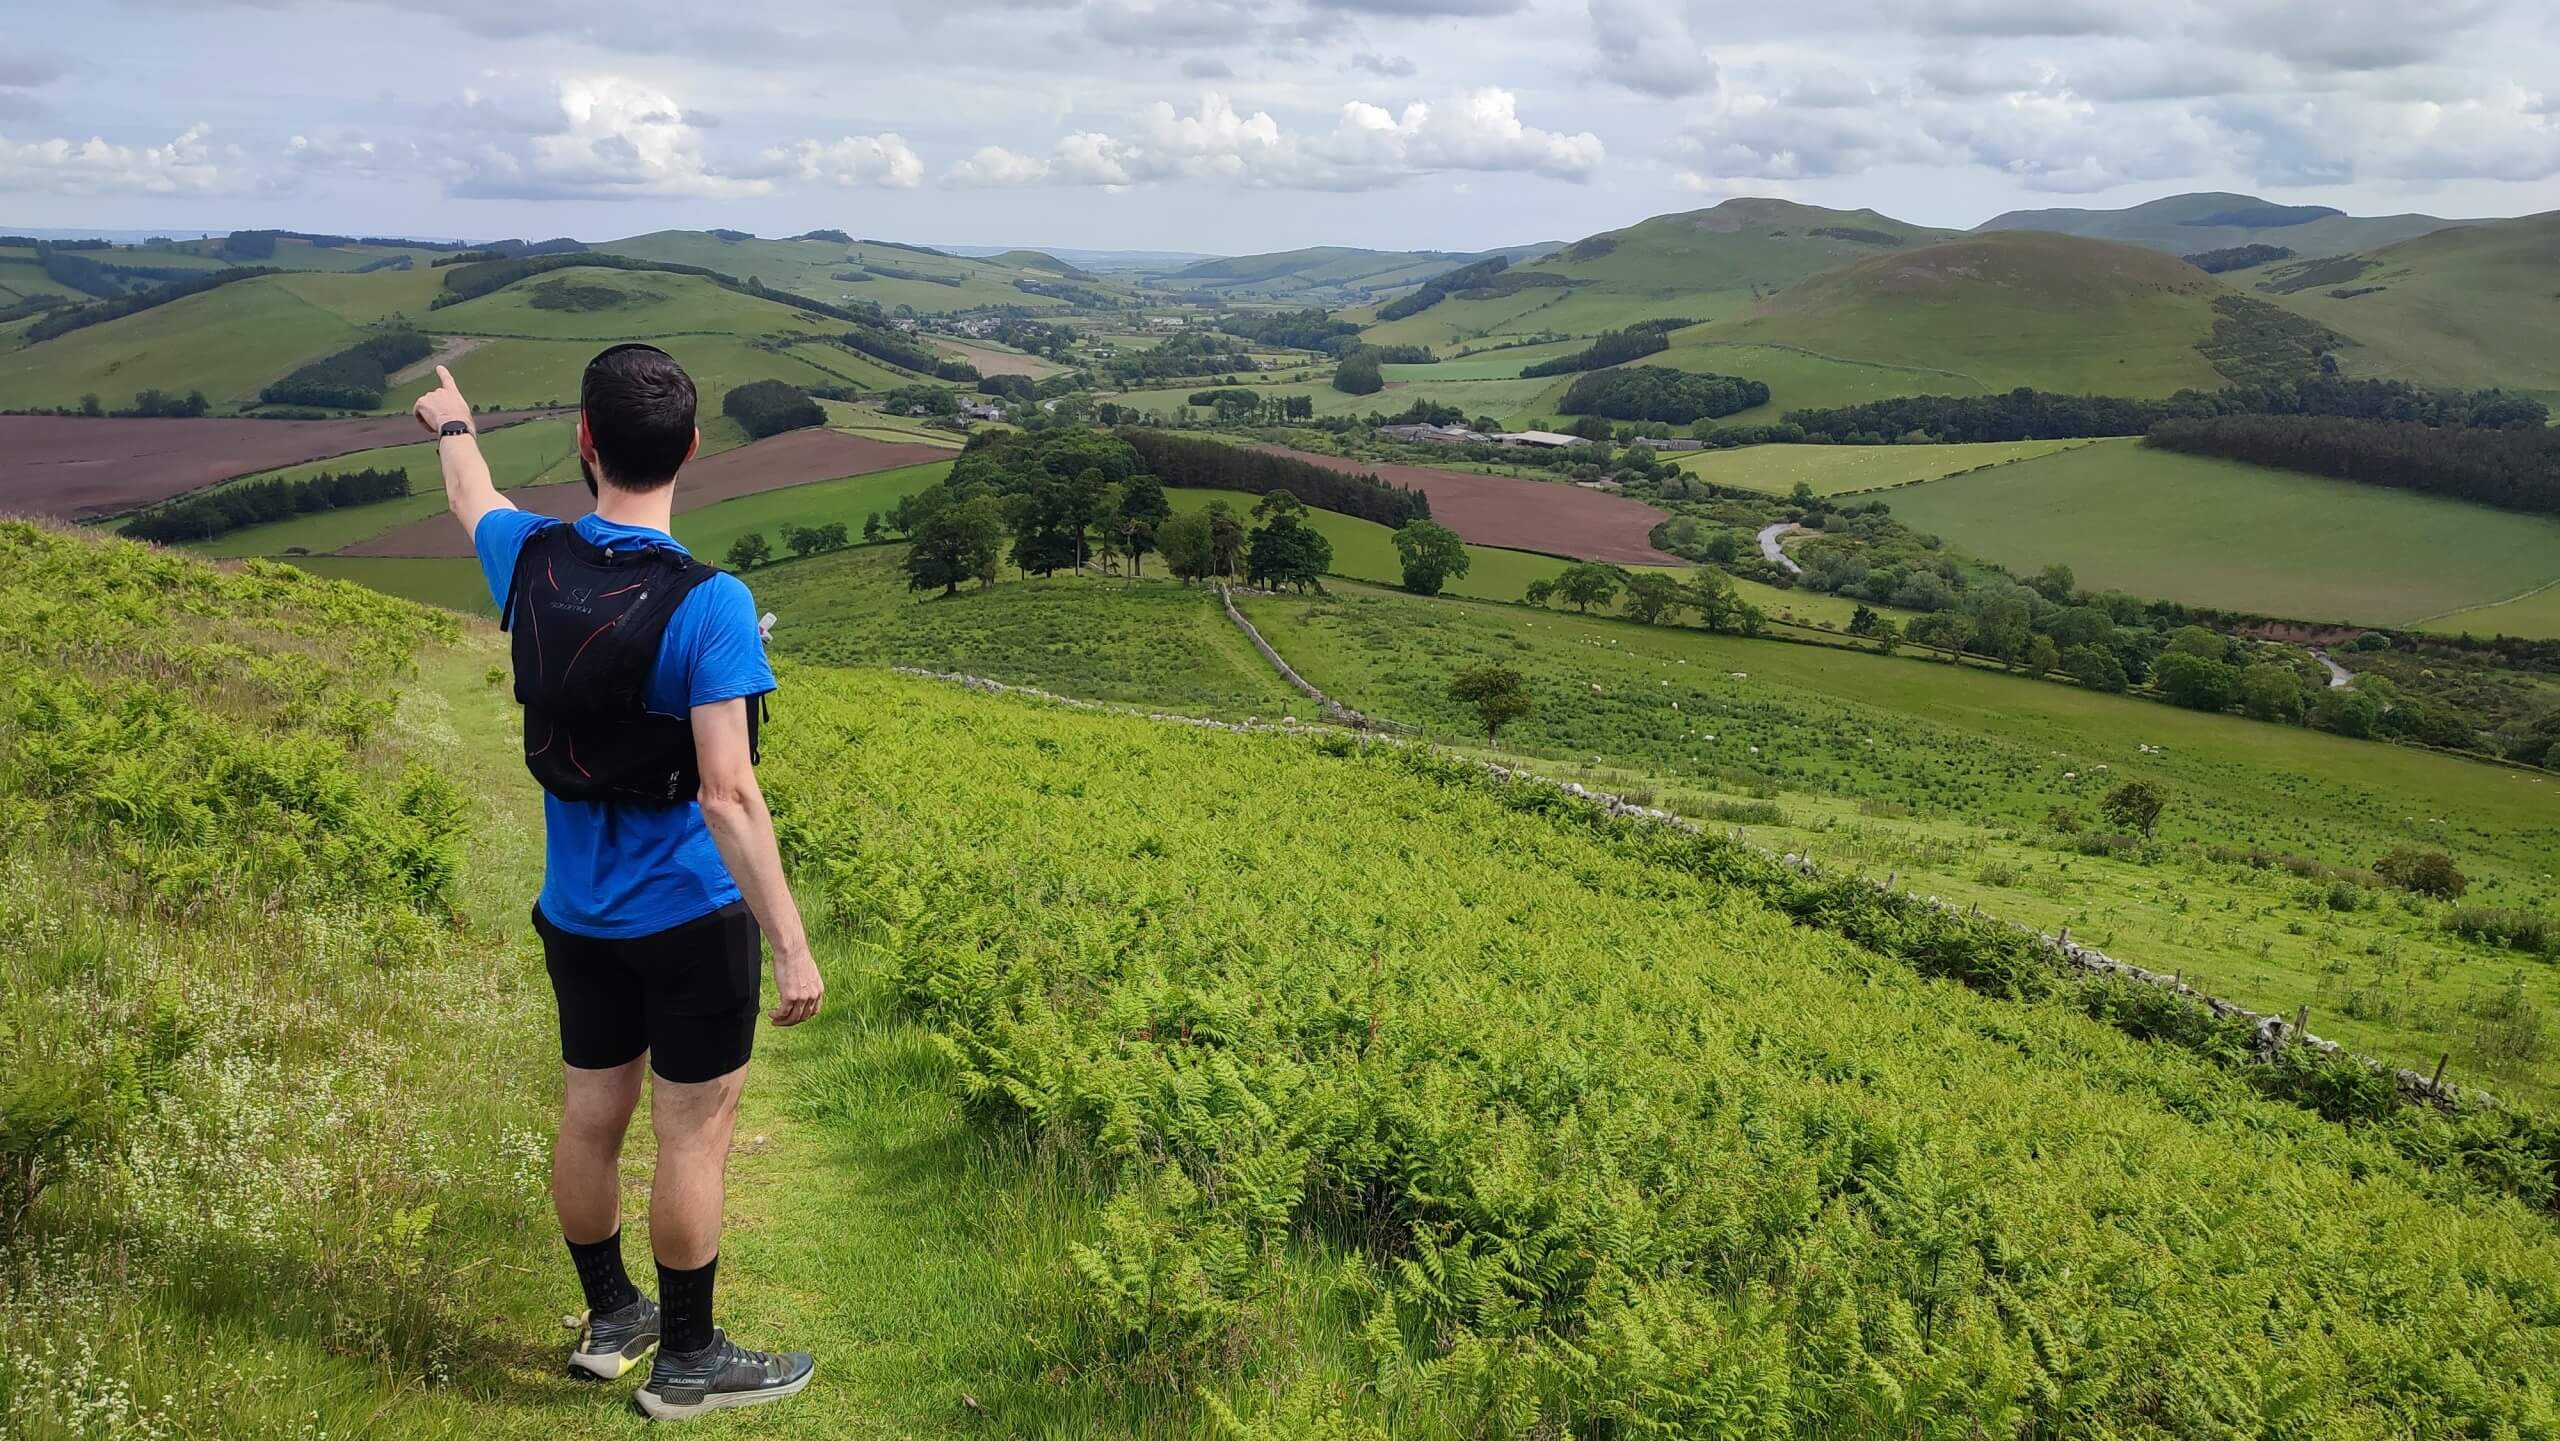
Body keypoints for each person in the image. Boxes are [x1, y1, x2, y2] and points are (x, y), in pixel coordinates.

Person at [418, 349, 824, 1421]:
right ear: (692, 447)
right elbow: (729, 797)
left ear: (587, 442)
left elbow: (473, 497)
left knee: (591, 1113)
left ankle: (612, 1317)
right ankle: (688, 1360)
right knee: (693, 1134)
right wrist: (790, 941)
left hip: (575, 911)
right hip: (689, 918)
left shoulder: (529, 558)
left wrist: (454, 420)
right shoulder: (712, 604)